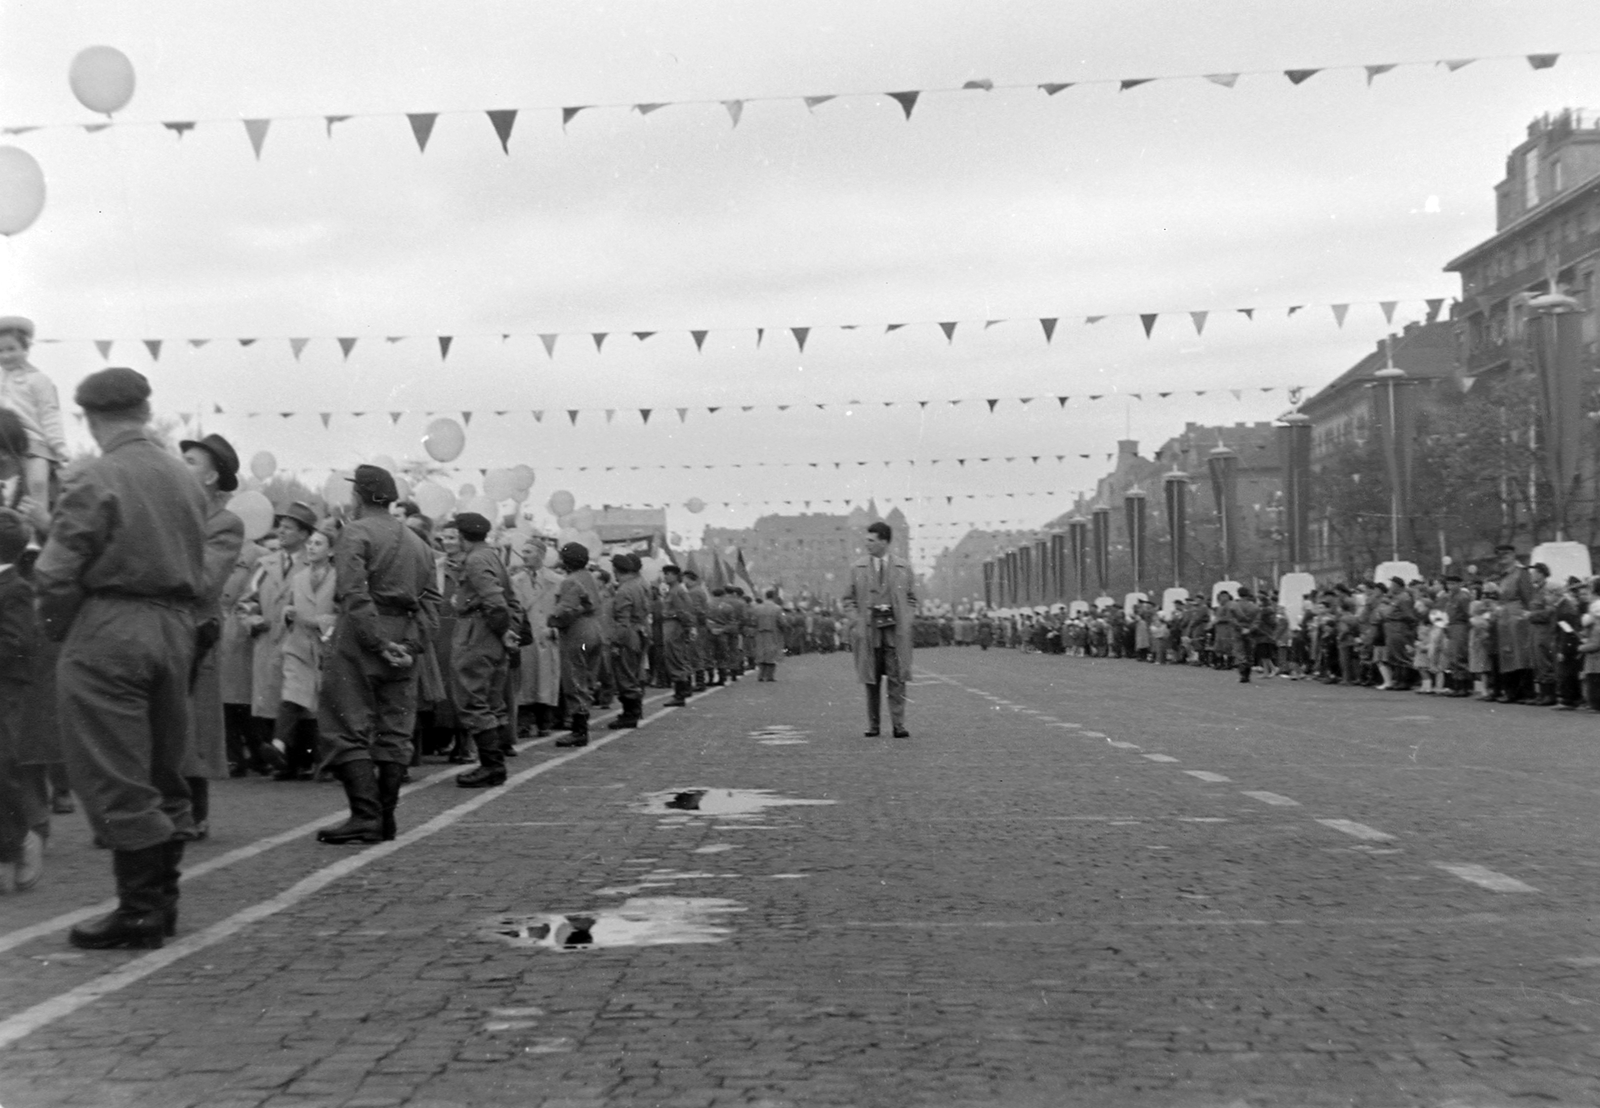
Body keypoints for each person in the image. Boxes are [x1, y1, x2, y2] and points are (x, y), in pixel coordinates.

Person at [35, 367, 207, 949]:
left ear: (90, 417)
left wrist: (62, 629)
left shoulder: (96, 475)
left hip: (110, 625)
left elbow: (56, 573)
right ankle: (163, 903)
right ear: (144, 410)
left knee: (111, 769)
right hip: (174, 626)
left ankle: (138, 912)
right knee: (164, 765)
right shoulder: (185, 478)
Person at [316, 464, 439, 845]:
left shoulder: (355, 532)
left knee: (345, 726)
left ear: (359, 497)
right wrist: (410, 645)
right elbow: (433, 602)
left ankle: (365, 816)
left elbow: (354, 592)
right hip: (405, 636)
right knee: (394, 731)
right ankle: (385, 818)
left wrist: (377, 643)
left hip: (361, 638)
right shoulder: (419, 542)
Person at [178, 433, 247, 841]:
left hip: (194, 633)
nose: (180, 466)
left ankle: (194, 813)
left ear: (210, 476)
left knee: (192, 724)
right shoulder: (172, 511)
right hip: (163, 628)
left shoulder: (224, 523)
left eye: (189, 461)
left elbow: (203, 581)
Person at [451, 512, 523, 788]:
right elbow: (512, 601)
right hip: (490, 634)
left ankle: (492, 766)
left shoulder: (476, 559)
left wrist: (504, 630)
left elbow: (495, 602)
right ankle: (493, 763)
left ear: (461, 535)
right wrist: (509, 631)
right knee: (489, 700)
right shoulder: (492, 556)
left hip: (477, 633)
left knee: (472, 699)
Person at [0, 508, 44, 893]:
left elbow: (17, 646)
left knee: (4, 769)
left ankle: (21, 842)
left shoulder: (16, 588)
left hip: (6, 691)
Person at [843, 521, 917, 738]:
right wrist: (856, 621)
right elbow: (848, 600)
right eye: (866, 540)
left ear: (884, 542)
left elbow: (912, 598)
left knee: (897, 679)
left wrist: (906, 617)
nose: (867, 544)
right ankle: (873, 724)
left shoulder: (904, 568)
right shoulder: (857, 568)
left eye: (871, 540)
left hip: (895, 633)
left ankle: (898, 724)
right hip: (869, 633)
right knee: (871, 680)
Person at [275, 521, 338, 777]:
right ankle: (278, 746)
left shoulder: (339, 578)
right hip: (299, 647)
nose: (311, 547)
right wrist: (288, 614)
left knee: (322, 705)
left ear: (331, 551)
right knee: (291, 696)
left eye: (318, 543)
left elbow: (342, 612)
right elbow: (289, 607)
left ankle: (323, 762)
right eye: (310, 543)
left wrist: (320, 623)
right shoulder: (298, 578)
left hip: (326, 649)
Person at [0, 317, 67, 510]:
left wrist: (59, 445)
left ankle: (36, 524)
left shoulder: (38, 379)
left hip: (33, 441)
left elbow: (50, 413)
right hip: (4, 437)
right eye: (0, 350)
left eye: (11, 349)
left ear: (25, 349)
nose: (5, 356)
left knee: (37, 482)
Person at [549, 542, 603, 747]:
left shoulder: (570, 581)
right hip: (593, 629)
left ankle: (579, 730)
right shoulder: (589, 577)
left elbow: (565, 609)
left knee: (574, 679)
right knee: (586, 678)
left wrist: (552, 620)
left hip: (577, 632)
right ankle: (581, 725)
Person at [607, 552, 651, 729]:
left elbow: (622, 621)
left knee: (625, 674)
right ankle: (634, 711)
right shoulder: (641, 584)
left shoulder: (625, 589)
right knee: (634, 672)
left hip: (629, 633)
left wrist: (616, 642)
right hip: (641, 630)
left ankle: (630, 714)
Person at [660, 564, 696, 706]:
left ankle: (679, 695)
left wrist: (688, 627)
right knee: (674, 658)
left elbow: (684, 611)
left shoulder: (677, 591)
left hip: (674, 626)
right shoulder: (674, 590)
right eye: (665, 574)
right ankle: (682, 691)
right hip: (672, 626)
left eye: (668, 574)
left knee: (674, 658)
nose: (665, 577)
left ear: (675, 575)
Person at [752, 588, 783, 681]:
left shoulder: (757, 607)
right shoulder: (777, 608)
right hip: (773, 633)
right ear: (773, 597)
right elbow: (781, 621)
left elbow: (753, 621)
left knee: (761, 653)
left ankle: (760, 675)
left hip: (759, 633)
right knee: (772, 653)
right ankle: (769, 676)